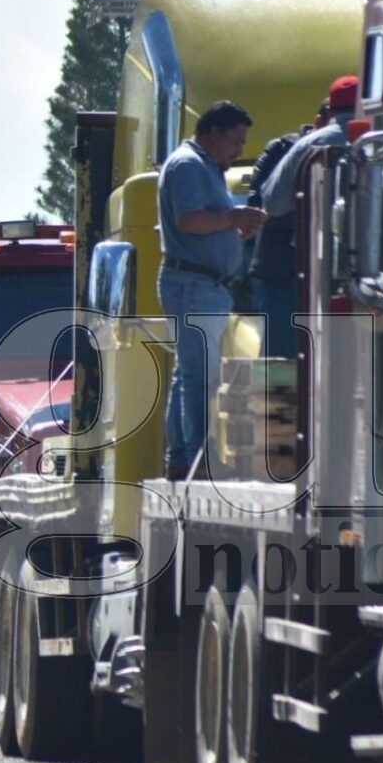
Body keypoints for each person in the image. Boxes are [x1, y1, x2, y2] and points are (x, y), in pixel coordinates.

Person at [157, 100, 268, 480]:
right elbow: (188, 221)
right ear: (213, 133)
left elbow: (204, 224)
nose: (240, 149)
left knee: (189, 374)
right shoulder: (189, 165)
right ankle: (198, 459)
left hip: (201, 283)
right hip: (194, 283)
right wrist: (234, 218)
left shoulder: (203, 165)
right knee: (200, 377)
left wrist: (234, 232)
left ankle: (181, 457)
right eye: (236, 140)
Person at [255, 75, 359, 357]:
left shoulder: (308, 145)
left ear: (331, 109)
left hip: (311, 270)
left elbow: (273, 203)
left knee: (289, 359)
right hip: (372, 276)